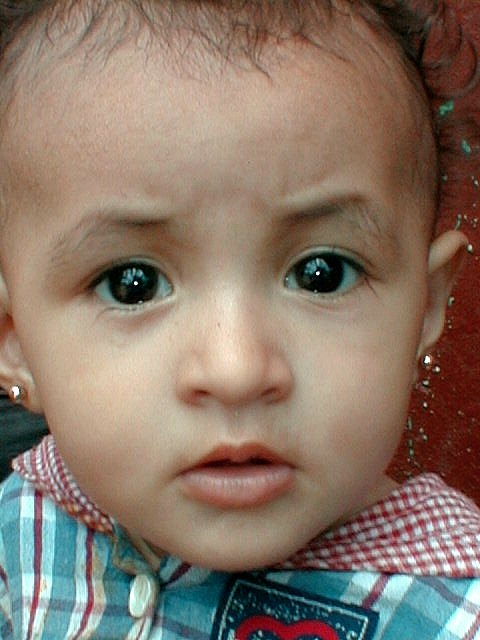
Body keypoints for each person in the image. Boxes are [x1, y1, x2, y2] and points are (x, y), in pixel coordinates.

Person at [0, 1, 479, 638]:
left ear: (425, 306)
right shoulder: (26, 525)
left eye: (321, 274)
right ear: (14, 342)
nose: (236, 370)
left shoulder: (452, 610)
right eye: (132, 284)